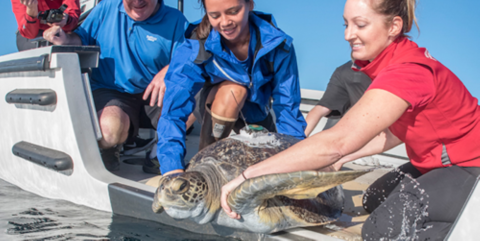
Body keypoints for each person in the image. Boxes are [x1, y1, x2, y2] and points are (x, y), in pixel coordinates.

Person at [220, 0, 480, 239]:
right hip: (432, 164)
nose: (347, 35)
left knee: (380, 230)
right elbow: (394, 133)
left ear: (394, 26)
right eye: (346, 24)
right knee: (372, 199)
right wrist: (343, 160)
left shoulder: (408, 70)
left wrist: (247, 176)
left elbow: (337, 141)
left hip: (469, 165)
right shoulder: (389, 63)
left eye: (360, 25)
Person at [156, 0, 306, 176]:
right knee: (235, 91)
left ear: (249, 4)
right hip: (214, 105)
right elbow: (173, 111)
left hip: (257, 115)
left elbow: (287, 108)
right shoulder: (195, 44)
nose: (225, 22)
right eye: (215, 15)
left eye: (233, 11)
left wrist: (298, 162)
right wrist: (171, 168)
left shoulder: (279, 45)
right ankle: (205, 168)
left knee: (270, 170)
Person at [43, 0, 187, 173]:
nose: (138, 1)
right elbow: (82, 38)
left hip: (154, 93)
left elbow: (190, 54)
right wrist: (64, 38)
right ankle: (113, 146)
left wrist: (169, 69)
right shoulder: (106, 8)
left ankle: (159, 152)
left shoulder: (176, 19)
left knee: (192, 94)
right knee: (110, 131)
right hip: (111, 90)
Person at [304, 61, 371, 136]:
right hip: (364, 131)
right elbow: (322, 108)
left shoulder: (345, 69)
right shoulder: (347, 70)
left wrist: (300, 138)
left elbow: (322, 108)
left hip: (361, 132)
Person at [11, 0, 81, 51]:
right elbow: (29, 33)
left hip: (63, 29)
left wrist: (66, 19)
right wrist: (31, 11)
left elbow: (73, 13)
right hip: (34, 35)